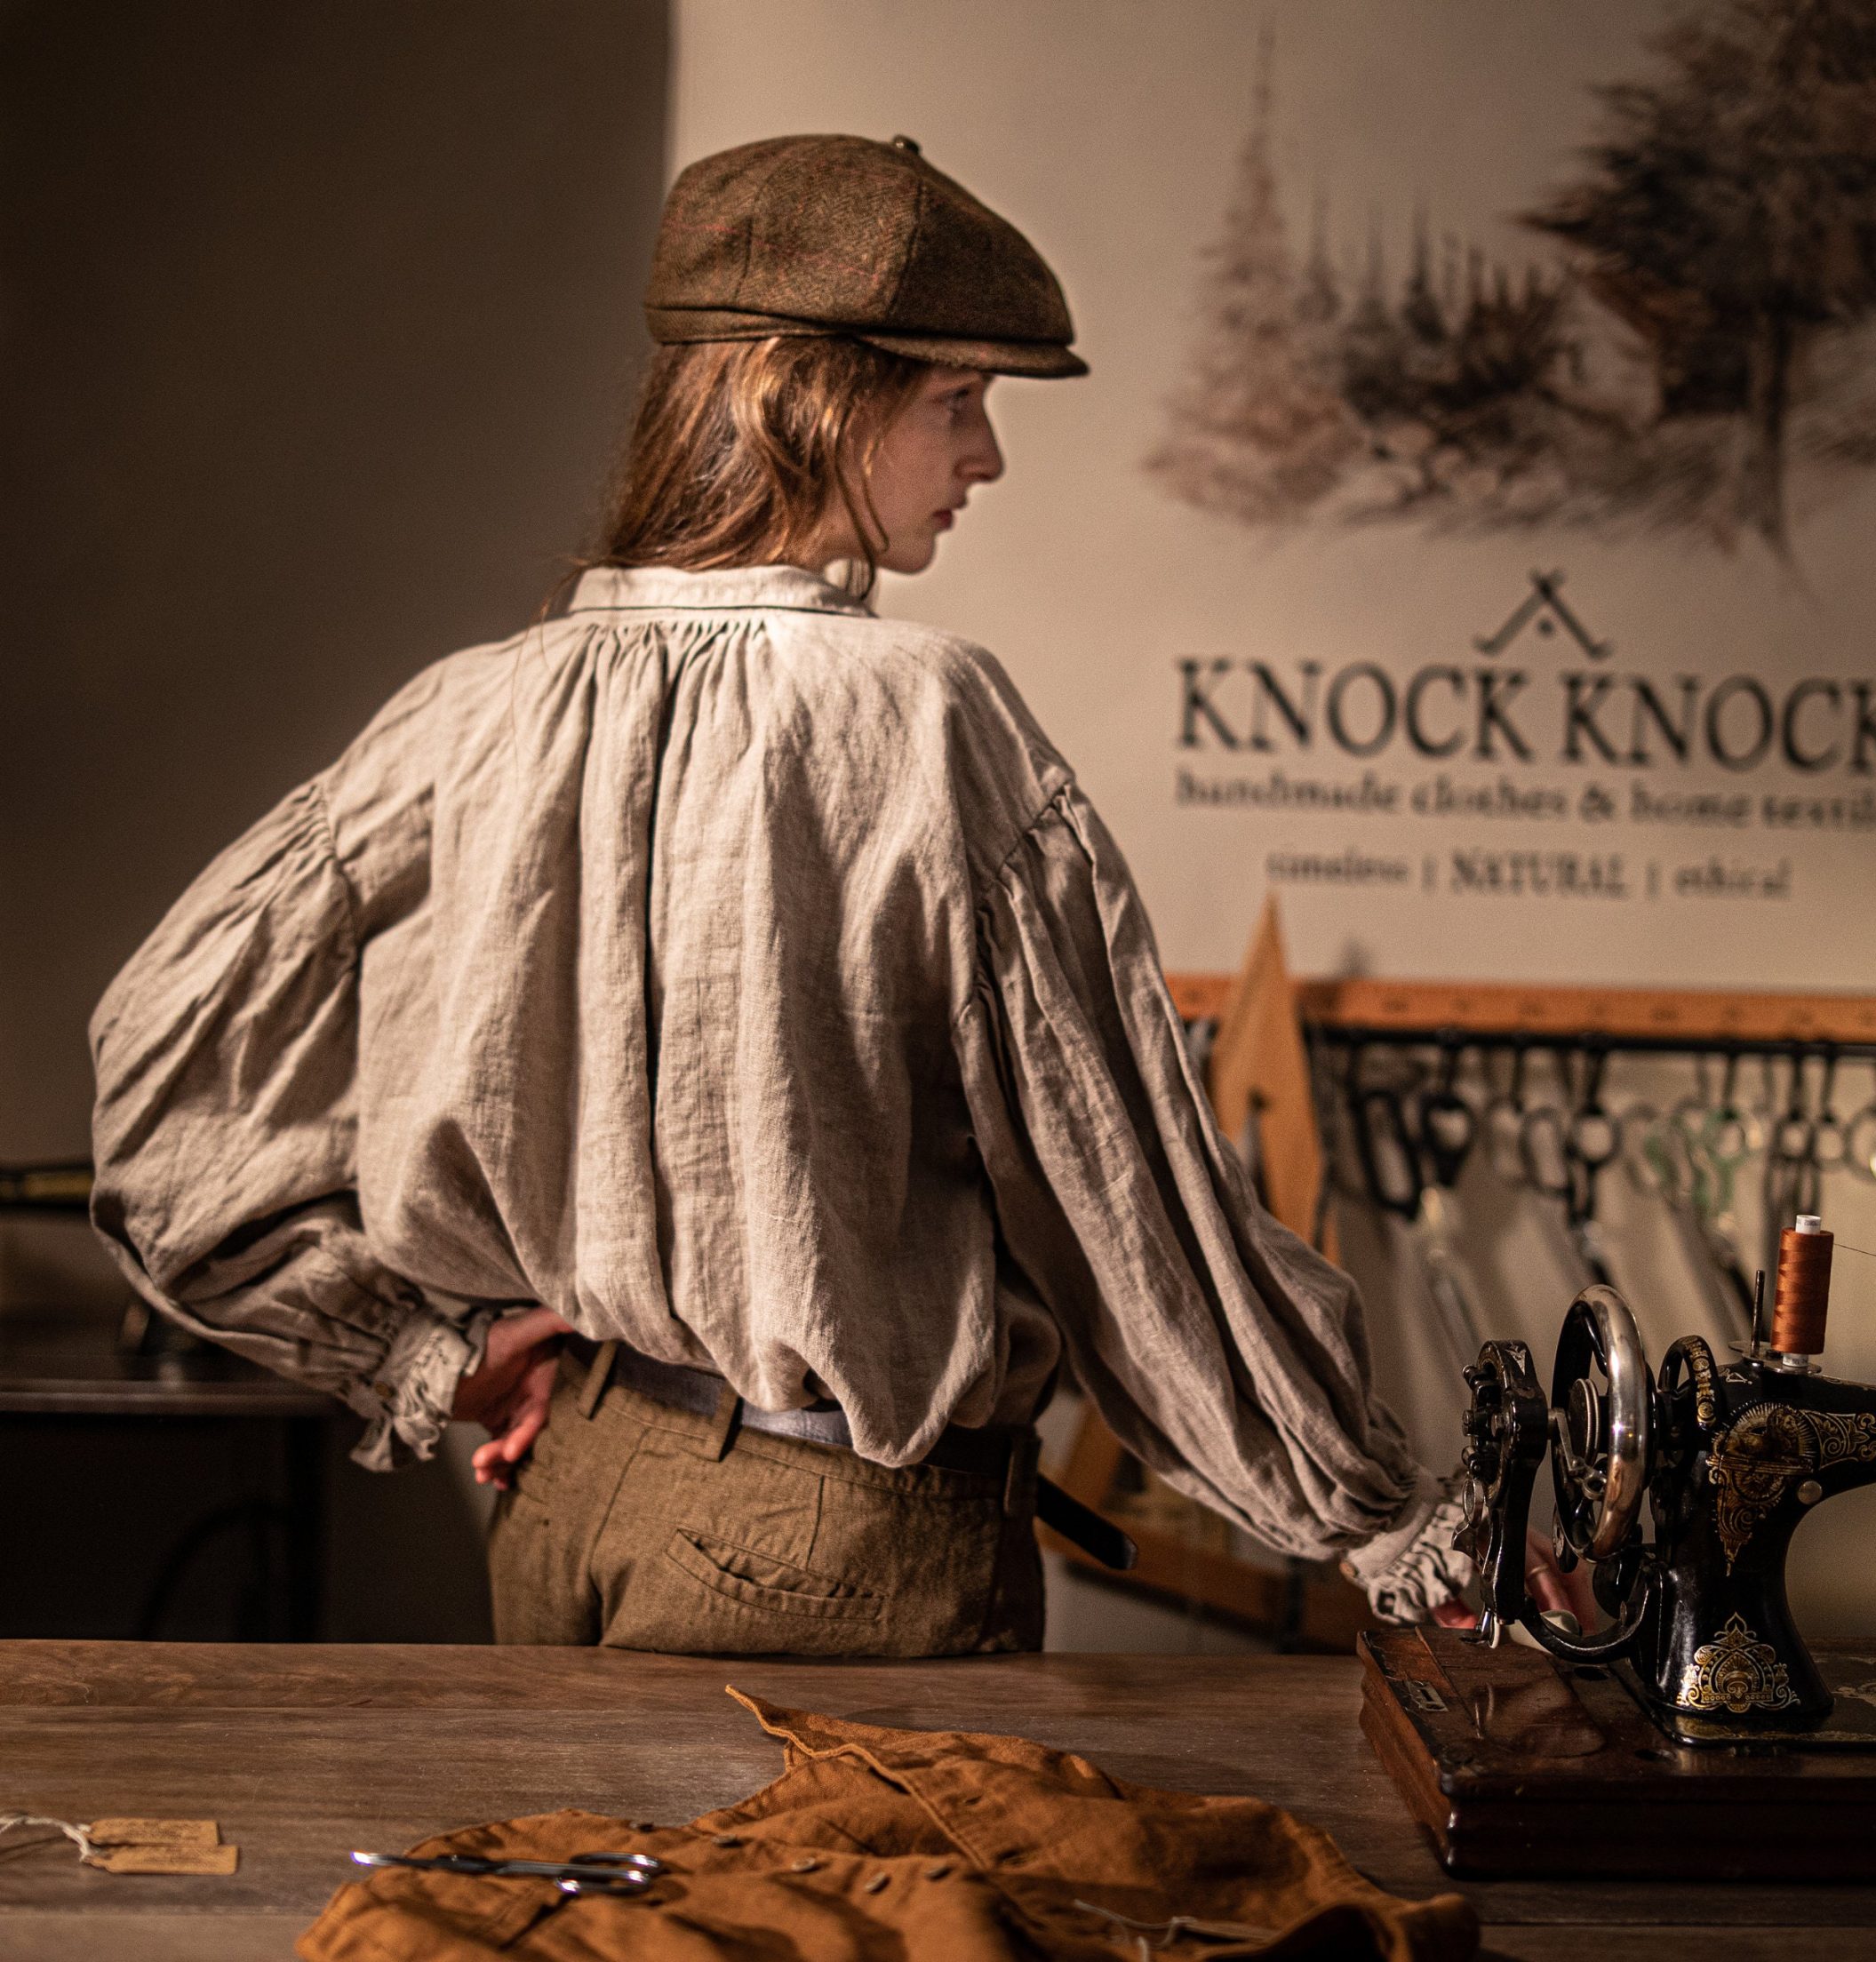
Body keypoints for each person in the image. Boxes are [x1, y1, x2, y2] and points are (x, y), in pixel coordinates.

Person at [90, 133, 1580, 1655]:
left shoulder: (465, 713)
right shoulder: (925, 720)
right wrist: (1384, 1519)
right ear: (807, 403)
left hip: (563, 1503)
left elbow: (159, 1085)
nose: (987, 458)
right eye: (957, 401)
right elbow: (1122, 1206)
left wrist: (426, 1350)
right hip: (828, 1542)